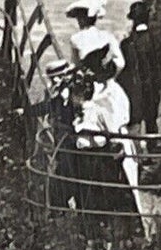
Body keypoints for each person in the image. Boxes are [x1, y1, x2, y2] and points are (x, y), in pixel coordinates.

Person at [57, 50, 141, 237]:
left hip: (106, 155)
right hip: (89, 160)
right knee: (90, 204)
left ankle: (123, 235)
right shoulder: (88, 108)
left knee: (115, 199)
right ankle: (94, 237)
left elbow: (113, 128)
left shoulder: (105, 101)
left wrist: (113, 147)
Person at [116, 0, 161, 137]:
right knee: (151, 122)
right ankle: (152, 155)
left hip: (133, 87)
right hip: (151, 86)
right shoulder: (155, 40)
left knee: (134, 123)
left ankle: (135, 155)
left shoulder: (127, 43)